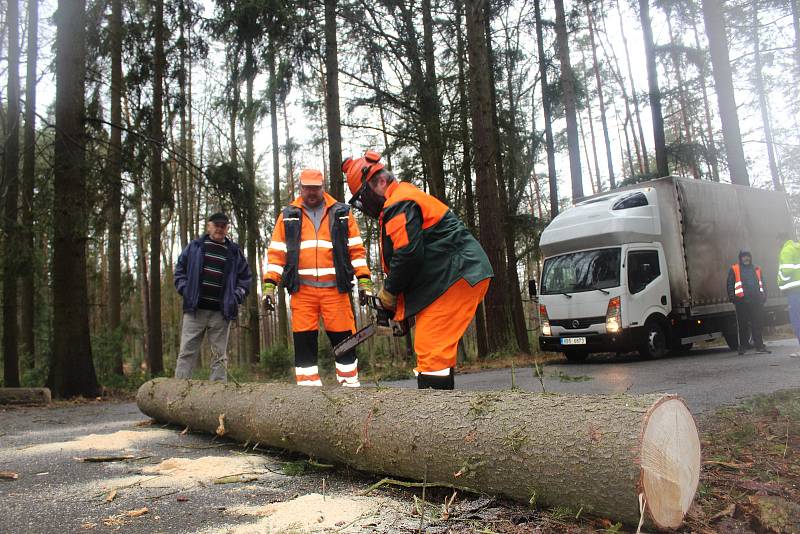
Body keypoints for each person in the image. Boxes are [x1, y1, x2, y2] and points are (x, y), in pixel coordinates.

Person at [342, 150, 493, 390]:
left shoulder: (399, 202)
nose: (365, 204)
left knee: (432, 350)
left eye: (364, 196)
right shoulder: (401, 200)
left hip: (458, 274)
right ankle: (438, 416)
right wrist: (401, 311)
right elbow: (415, 260)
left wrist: (389, 293)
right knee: (431, 349)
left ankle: (435, 420)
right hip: (446, 277)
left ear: (379, 182)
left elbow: (408, 255)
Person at [263, 169, 372, 387]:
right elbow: (276, 254)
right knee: (304, 347)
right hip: (302, 293)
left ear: (323, 187)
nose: (311, 192)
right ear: (300, 187)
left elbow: (356, 251)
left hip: (336, 291)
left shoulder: (342, 213)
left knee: (345, 342)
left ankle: (350, 391)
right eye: (307, 188)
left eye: (316, 188)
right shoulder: (288, 215)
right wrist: (269, 286)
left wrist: (364, 282)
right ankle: (308, 399)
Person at [174, 212, 252, 381]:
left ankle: (217, 396)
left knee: (219, 357)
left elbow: (246, 278)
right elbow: (180, 270)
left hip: (221, 313)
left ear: (227, 228)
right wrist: (185, 290)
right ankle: (177, 393)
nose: (219, 228)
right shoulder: (195, 247)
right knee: (187, 353)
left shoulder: (233, 251)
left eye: (223, 226)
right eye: (216, 225)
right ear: (208, 226)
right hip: (195, 310)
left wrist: (236, 296)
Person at [727, 250, 770, 355]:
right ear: (740, 258)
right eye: (744, 257)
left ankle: (759, 346)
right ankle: (742, 348)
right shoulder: (735, 269)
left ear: (750, 258)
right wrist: (733, 298)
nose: (746, 258)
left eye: (748, 256)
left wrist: (764, 296)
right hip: (741, 302)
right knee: (743, 326)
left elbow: (762, 283)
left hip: (756, 301)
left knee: (757, 324)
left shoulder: (756, 269)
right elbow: (730, 284)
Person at [777, 238, 800, 347]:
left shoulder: (787, 250)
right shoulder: (797, 249)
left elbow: (786, 270)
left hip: (794, 292)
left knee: (797, 320)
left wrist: (779, 280)